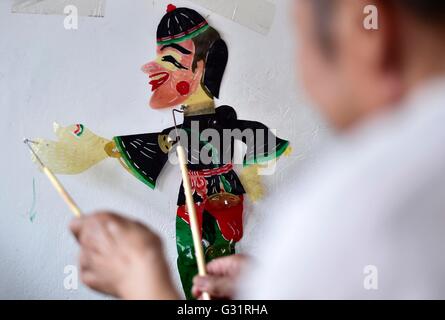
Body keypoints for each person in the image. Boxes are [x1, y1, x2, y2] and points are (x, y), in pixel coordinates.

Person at [70, 0, 445, 299]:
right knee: (194, 259)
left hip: (223, 196)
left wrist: (143, 285)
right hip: (193, 200)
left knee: (213, 251)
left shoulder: (351, 217)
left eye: (300, 36)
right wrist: (265, 285)